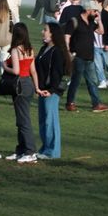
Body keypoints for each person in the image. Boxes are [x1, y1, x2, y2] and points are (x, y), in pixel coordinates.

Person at [64, 0, 108, 112]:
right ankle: (70, 103)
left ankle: (96, 104)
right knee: (75, 80)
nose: (96, 13)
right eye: (95, 11)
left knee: (92, 81)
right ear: (88, 10)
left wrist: (99, 20)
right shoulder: (74, 21)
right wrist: (68, 52)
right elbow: (67, 37)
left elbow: (101, 31)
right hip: (77, 56)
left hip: (89, 56)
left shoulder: (90, 21)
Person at [3, 23, 39, 164]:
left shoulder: (15, 50)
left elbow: (16, 71)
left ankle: (30, 151)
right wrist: (37, 87)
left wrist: (5, 66)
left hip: (19, 85)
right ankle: (21, 149)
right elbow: (33, 71)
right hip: (28, 83)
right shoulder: (29, 49)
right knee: (21, 118)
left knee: (23, 120)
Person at [35, 22, 70, 159]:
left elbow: (57, 73)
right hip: (42, 90)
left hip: (52, 91)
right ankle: (45, 148)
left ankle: (53, 151)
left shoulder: (58, 51)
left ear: (53, 33)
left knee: (51, 120)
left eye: (45, 30)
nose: (43, 32)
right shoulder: (44, 49)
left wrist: (52, 90)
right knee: (43, 120)